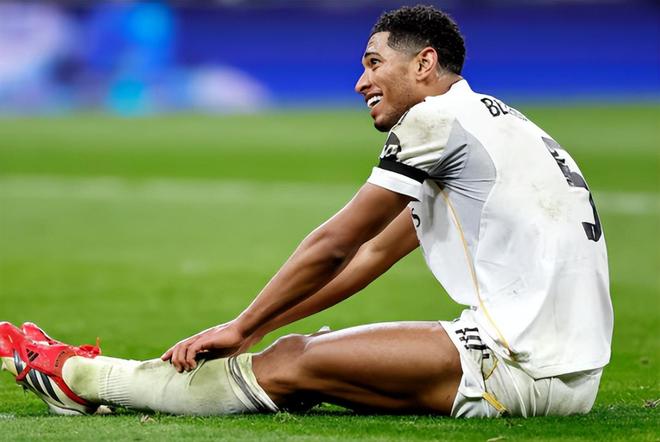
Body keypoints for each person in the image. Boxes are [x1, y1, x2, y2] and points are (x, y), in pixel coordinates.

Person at [0, 5, 612, 418]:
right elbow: (374, 254)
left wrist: (243, 325)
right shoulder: (499, 122)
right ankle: (100, 380)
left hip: (518, 364)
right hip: (570, 375)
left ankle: (84, 379)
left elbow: (338, 243)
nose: (360, 82)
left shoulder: (435, 120)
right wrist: (260, 326)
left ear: (424, 64)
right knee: (305, 363)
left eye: (374, 63)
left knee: (295, 361)